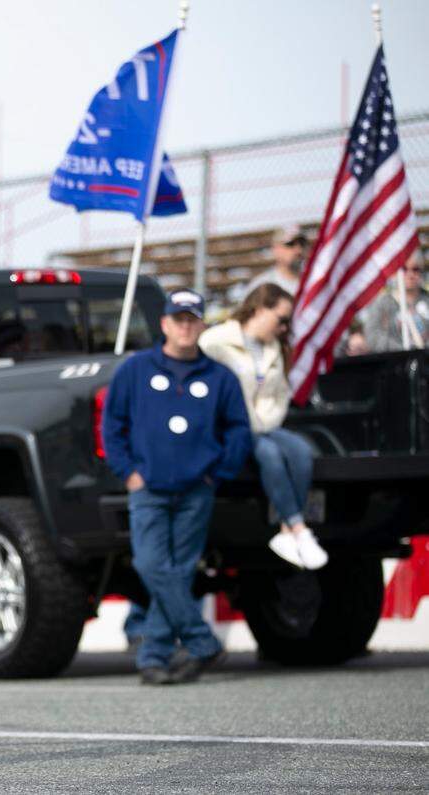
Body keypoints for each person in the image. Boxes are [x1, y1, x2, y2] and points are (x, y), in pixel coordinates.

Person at [102, 289, 251, 685]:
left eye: (192, 319)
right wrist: (128, 472)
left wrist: (217, 473)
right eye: (178, 319)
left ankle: (153, 656)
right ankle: (202, 640)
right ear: (165, 324)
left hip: (196, 490)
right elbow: (112, 426)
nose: (186, 326)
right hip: (148, 488)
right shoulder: (135, 370)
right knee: (152, 565)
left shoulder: (220, 377)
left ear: (202, 324)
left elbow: (238, 429)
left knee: (180, 572)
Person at [201, 284, 328, 569]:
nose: (285, 328)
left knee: (301, 452)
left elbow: (280, 393)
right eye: (281, 319)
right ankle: (298, 528)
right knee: (269, 454)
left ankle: (286, 530)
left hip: (264, 424)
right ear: (258, 310)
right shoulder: (215, 342)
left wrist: (264, 422)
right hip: (231, 427)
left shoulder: (275, 348)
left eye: (288, 322)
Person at [359, 252, 429, 353]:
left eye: (415, 269)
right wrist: (403, 351)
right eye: (404, 269)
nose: (410, 274)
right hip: (393, 363)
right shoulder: (383, 302)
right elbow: (373, 336)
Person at [230, 224, 308, 303]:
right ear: (275, 249)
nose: (298, 250)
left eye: (302, 244)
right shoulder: (261, 285)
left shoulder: (313, 282)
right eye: (290, 244)